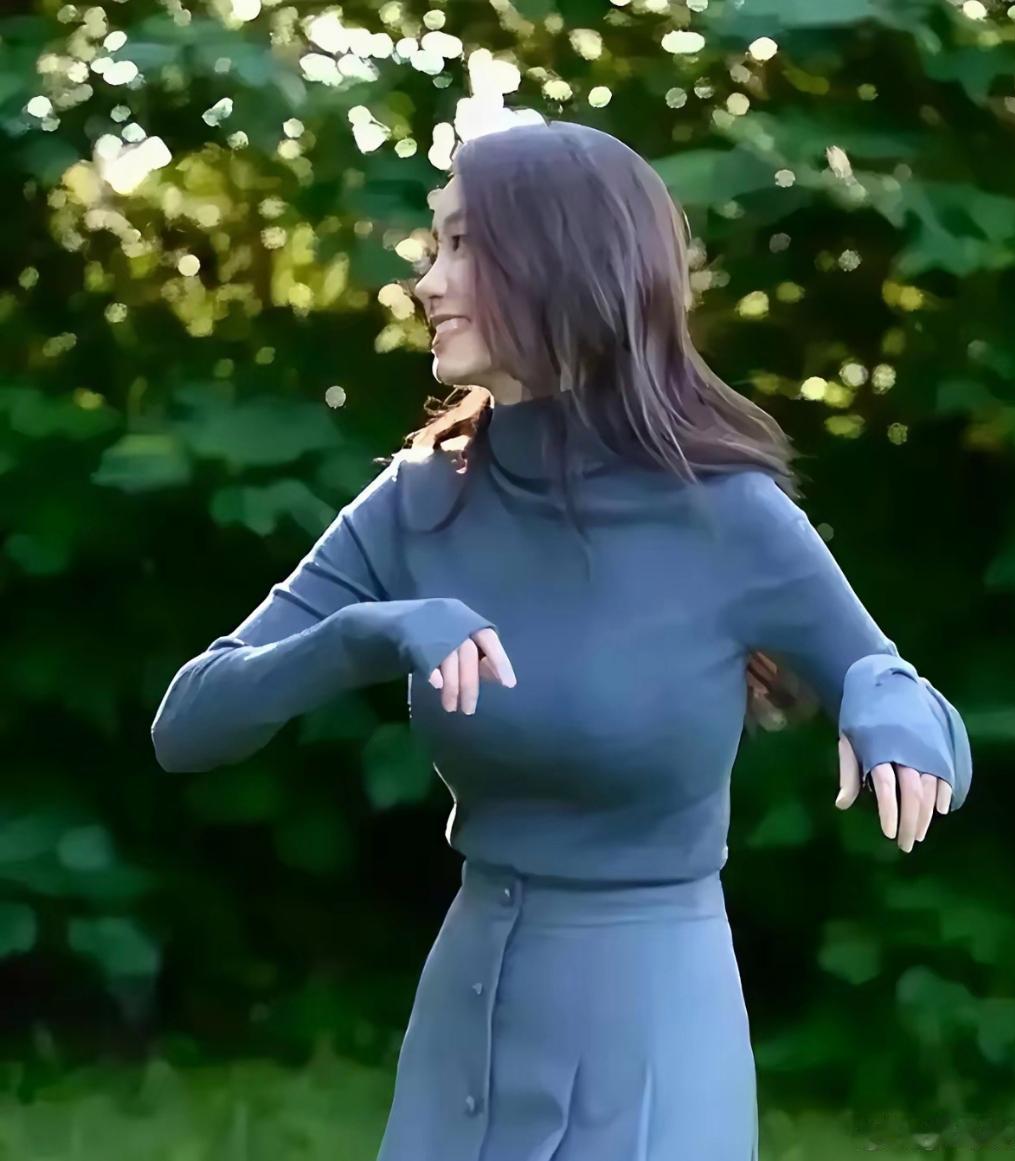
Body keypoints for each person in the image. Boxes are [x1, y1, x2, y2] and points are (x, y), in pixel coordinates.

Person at [151, 119, 971, 1160]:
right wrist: (365, 637)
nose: (427, 282)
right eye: (435, 246)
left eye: (463, 246)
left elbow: (906, 701)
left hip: (651, 1035)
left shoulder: (727, 513)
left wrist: (889, 702)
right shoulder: (418, 501)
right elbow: (189, 724)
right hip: (465, 1021)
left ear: (564, 264)